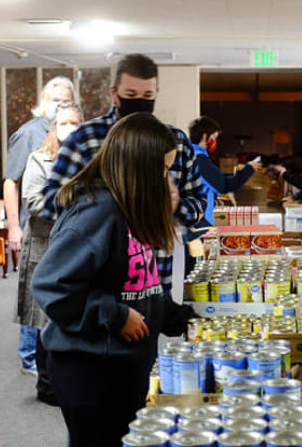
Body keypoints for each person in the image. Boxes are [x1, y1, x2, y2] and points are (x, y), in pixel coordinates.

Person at [30, 113, 193, 447]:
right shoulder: (97, 211)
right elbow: (52, 286)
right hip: (88, 370)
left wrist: (180, 316)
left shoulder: (130, 209)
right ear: (139, 168)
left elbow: (140, 285)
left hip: (123, 366)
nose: (168, 179)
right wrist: (112, 315)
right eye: (162, 169)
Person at [41, 54, 205, 296]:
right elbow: (52, 205)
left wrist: (173, 206)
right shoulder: (85, 139)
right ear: (114, 93)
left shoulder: (175, 141)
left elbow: (198, 204)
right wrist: (107, 205)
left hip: (155, 274)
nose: (140, 102)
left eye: (147, 96)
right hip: (100, 280)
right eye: (131, 96)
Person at [4, 76, 75, 376]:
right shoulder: (29, 134)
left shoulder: (71, 136)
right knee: (35, 290)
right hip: (38, 225)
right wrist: (13, 227)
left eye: (65, 100)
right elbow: (11, 181)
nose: (60, 105)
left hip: (64, 230)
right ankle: (29, 355)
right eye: (55, 99)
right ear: (44, 100)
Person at [17, 101, 82, 405]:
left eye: (75, 123)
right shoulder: (39, 159)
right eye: (63, 123)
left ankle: (70, 381)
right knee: (46, 317)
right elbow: (32, 200)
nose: (69, 128)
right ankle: (47, 386)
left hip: (78, 248)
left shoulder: (88, 161)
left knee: (72, 315)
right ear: (54, 126)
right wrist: (72, 213)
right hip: (46, 246)